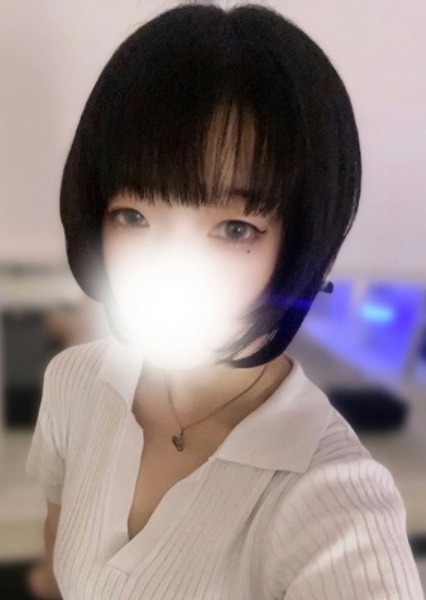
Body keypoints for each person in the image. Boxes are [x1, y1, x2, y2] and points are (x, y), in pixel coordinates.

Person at [25, 2, 425, 599]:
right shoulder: (74, 383)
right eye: (133, 215)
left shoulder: (335, 503)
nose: (168, 271)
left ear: (298, 242)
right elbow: (57, 554)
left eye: (235, 228)